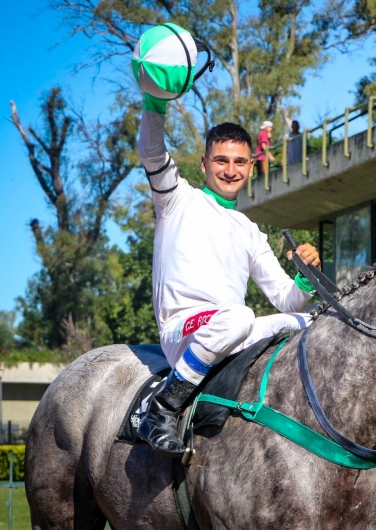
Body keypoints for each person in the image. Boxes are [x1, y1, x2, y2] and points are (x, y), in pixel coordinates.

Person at [136, 91, 320, 457]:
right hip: (183, 330)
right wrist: (155, 100)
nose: (230, 170)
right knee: (239, 316)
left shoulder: (251, 232)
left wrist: (304, 276)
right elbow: (152, 150)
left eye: (239, 162)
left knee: (310, 323)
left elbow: (286, 299)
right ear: (204, 163)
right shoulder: (177, 199)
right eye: (221, 160)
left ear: (252, 166)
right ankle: (162, 409)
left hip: (230, 332)